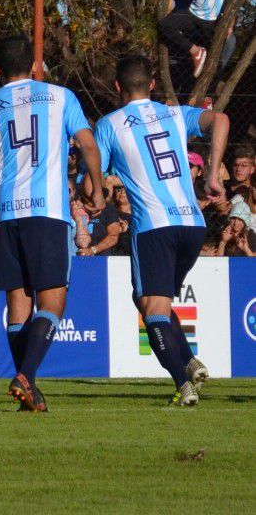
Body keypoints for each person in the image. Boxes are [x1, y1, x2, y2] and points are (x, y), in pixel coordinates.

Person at [0, 34, 105, 412]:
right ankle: (25, 376)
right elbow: (89, 145)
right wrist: (98, 187)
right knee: (53, 302)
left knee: (17, 304)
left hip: (5, 214)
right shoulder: (60, 96)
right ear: (36, 66)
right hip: (48, 211)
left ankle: (29, 387)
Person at [86, 54, 229, 406]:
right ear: (152, 84)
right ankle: (189, 361)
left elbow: (96, 187)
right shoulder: (176, 113)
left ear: (117, 87)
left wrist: (92, 192)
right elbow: (223, 119)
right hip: (193, 224)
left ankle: (183, 384)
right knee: (151, 299)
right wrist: (212, 173)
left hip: (154, 225)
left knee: (151, 308)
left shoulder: (109, 124)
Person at [76, 191, 122, 256]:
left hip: (102, 258)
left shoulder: (108, 209)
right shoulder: (77, 207)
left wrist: (92, 250)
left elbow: (113, 237)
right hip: (78, 256)